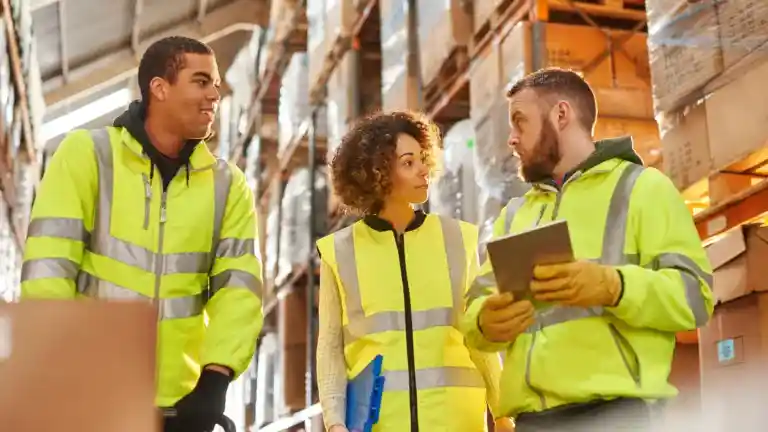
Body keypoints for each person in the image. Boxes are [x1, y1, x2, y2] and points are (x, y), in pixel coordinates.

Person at [20, 36, 263, 432]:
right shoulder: (88, 156)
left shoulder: (227, 185)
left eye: (216, 84)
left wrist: (215, 380)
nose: (215, 95)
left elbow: (238, 289)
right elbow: (48, 271)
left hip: (179, 408)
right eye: (201, 81)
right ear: (159, 87)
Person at [462, 68, 714, 431]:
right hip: (533, 421)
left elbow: (696, 297)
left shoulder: (643, 189)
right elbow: (475, 306)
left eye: (520, 122)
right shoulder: (515, 214)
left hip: (618, 417)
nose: (512, 140)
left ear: (561, 115)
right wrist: (485, 322)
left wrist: (615, 287)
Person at [315, 111, 515, 432]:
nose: (423, 170)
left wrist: (504, 415)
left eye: (423, 159)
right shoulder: (339, 252)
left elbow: (479, 340)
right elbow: (330, 349)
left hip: (456, 424)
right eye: (408, 163)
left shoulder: (458, 239)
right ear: (376, 174)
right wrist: (335, 423)